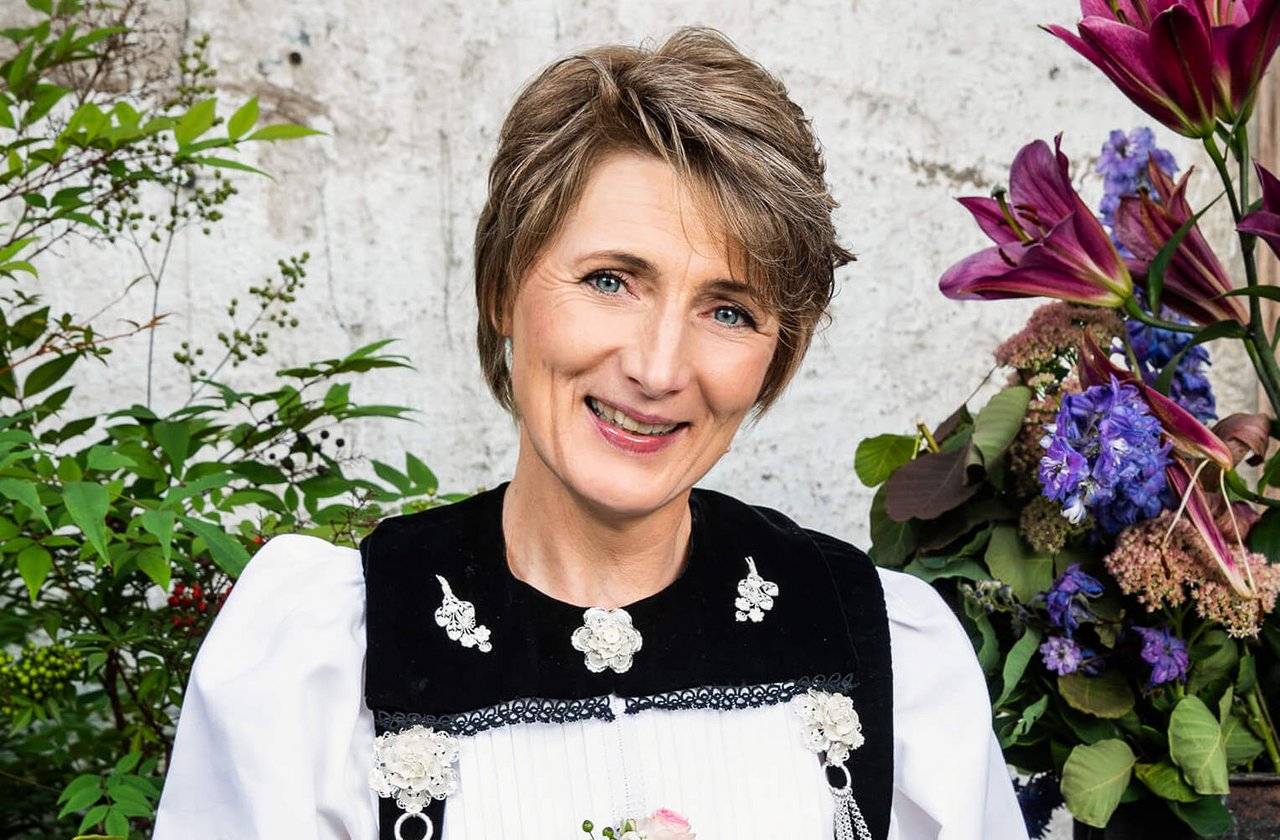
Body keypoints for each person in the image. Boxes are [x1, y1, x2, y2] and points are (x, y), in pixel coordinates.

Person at [154, 28, 1029, 840]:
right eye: (611, 280)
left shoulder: (887, 650)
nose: (657, 368)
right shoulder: (324, 661)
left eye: (728, 310)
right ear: (502, 288)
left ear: (777, 355)